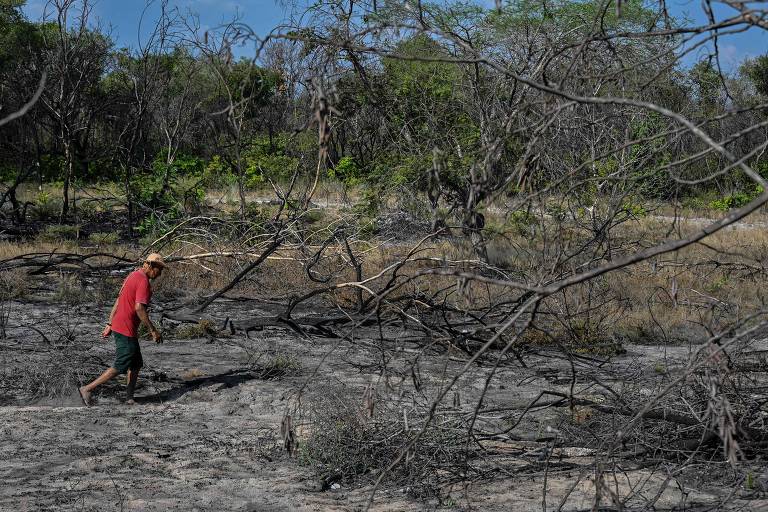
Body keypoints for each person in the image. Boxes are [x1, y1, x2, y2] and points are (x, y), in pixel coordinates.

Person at [78, 253, 166, 406]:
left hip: (121, 325)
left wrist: (110, 323)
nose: (160, 274)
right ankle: (87, 389)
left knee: (136, 363)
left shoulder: (133, 275)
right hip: (125, 328)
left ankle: (129, 398)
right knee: (122, 363)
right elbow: (139, 308)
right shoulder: (143, 281)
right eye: (159, 269)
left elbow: (119, 300)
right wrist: (153, 330)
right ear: (151, 266)